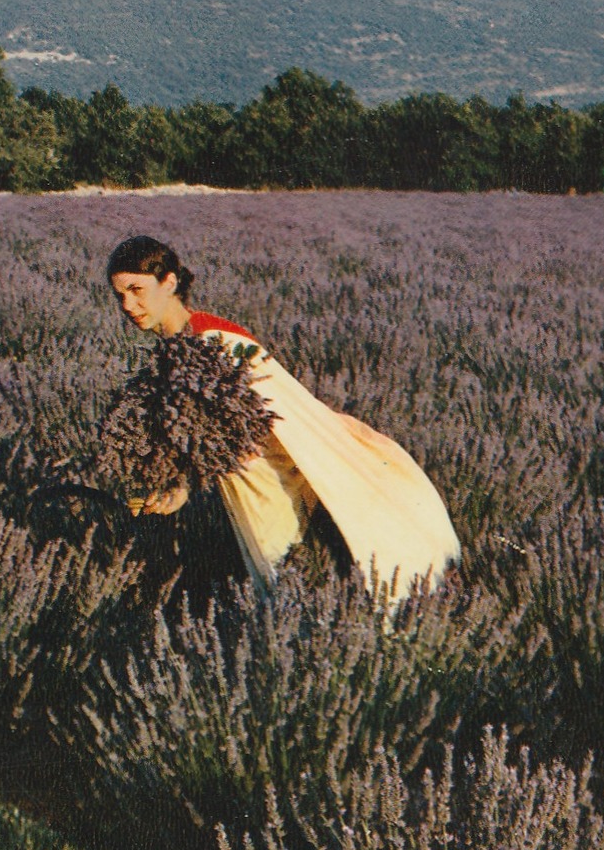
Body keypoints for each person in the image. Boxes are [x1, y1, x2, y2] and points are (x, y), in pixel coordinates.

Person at [106, 234, 461, 606]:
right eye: (120, 295)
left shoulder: (216, 340)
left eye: (136, 289)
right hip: (249, 484)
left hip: (278, 478)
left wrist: (186, 486)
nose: (129, 304)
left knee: (297, 580)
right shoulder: (174, 349)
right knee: (287, 584)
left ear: (170, 283)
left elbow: (254, 423)